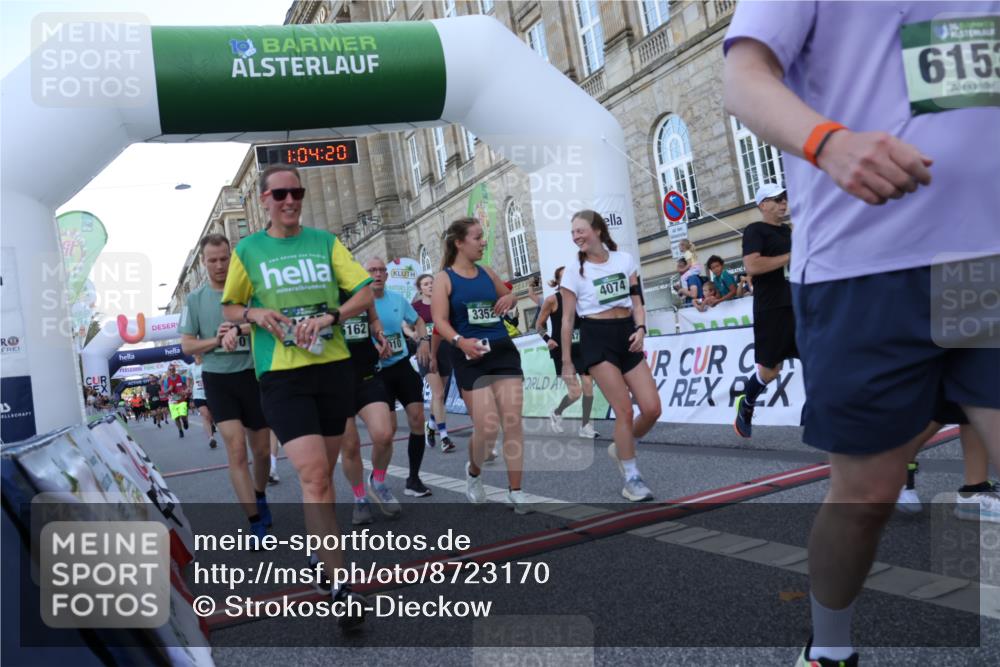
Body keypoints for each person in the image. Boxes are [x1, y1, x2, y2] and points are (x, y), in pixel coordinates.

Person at [724, 2, 1000, 664]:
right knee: (867, 496)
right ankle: (830, 647)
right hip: (862, 272)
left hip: (984, 263)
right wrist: (830, 141)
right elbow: (742, 76)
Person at [221, 163, 373, 627]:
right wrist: (254, 312)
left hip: (332, 369)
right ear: (263, 201)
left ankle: (317, 547)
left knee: (323, 479)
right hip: (282, 377)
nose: (290, 201)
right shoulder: (248, 249)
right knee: (316, 479)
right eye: (281, 194)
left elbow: (364, 292)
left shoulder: (324, 243)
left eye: (297, 193)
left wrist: (331, 316)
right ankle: (341, 586)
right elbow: (230, 305)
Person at [431, 217, 531, 514]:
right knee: (487, 428)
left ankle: (517, 491)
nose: (483, 242)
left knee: (512, 422)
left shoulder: (486, 271)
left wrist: (512, 297)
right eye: (477, 237)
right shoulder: (444, 279)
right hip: (469, 356)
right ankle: (473, 473)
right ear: (459, 243)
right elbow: (439, 320)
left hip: (502, 350)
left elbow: (508, 297)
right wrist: (460, 341)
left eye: (483, 237)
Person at [560, 210, 661, 502]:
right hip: (596, 337)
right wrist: (567, 362)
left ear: (598, 231)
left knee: (652, 408)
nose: (576, 236)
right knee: (625, 411)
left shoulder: (624, 260)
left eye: (580, 230)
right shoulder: (573, 271)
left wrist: (641, 328)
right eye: (573, 233)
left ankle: (622, 444)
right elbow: (567, 320)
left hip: (627, 333)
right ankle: (631, 478)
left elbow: (637, 301)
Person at [181, 233, 274, 537]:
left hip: (253, 374)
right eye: (212, 260)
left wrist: (238, 327)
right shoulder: (195, 300)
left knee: (261, 452)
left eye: (224, 259)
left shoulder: (249, 289)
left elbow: (268, 321)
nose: (219, 265)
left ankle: (259, 495)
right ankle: (254, 522)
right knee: (236, 450)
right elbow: (187, 346)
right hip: (218, 379)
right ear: (204, 263)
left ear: (231, 258)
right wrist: (218, 340)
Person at [366, 257, 434, 498]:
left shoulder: (397, 299)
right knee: (388, 430)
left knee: (417, 418)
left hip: (401, 365)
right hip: (377, 372)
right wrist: (371, 347)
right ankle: (377, 475)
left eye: (381, 270)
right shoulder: (360, 302)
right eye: (372, 270)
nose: (377, 274)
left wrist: (424, 341)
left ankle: (413, 479)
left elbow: (418, 320)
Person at [733, 183, 795, 438]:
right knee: (771, 370)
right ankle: (746, 404)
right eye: (776, 199)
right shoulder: (755, 230)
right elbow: (753, 266)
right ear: (762, 204)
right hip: (772, 309)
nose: (783, 203)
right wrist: (791, 256)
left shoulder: (789, 231)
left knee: (820, 358)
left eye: (784, 198)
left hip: (799, 305)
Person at [337, 288, 400, 525]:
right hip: (335, 381)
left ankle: (379, 482)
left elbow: (373, 318)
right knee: (350, 446)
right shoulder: (318, 289)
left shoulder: (359, 289)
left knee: (384, 435)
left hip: (367, 376)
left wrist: (380, 334)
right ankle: (360, 497)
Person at [536, 266, 600, 439]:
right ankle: (557, 412)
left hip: (581, 349)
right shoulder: (552, 300)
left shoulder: (581, 298)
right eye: (563, 278)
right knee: (575, 393)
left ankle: (585, 426)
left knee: (588, 387)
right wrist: (547, 339)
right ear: (557, 282)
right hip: (561, 352)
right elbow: (538, 325)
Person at [411, 273, 456, 453]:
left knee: (441, 395)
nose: (430, 285)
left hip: (444, 350)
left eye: (432, 283)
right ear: (420, 288)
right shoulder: (415, 307)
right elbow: (405, 324)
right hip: (425, 353)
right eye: (426, 283)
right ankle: (444, 437)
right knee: (437, 394)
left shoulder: (443, 303)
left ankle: (430, 424)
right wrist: (411, 333)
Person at [188, 354, 217, 449]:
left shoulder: (207, 363)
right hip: (197, 394)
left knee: (211, 415)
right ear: (193, 355)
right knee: (205, 415)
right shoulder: (190, 367)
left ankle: (212, 424)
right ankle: (211, 438)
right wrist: (189, 387)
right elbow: (189, 378)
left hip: (210, 393)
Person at [163, 365, 190, 437]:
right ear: (168, 371)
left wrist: (185, 390)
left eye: (173, 369)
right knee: (176, 417)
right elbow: (164, 393)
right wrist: (169, 390)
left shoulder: (182, 378)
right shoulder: (166, 381)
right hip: (172, 401)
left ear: (175, 370)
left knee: (183, 415)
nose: (172, 371)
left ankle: (184, 421)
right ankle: (180, 430)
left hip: (182, 400)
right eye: (170, 369)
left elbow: (187, 386)